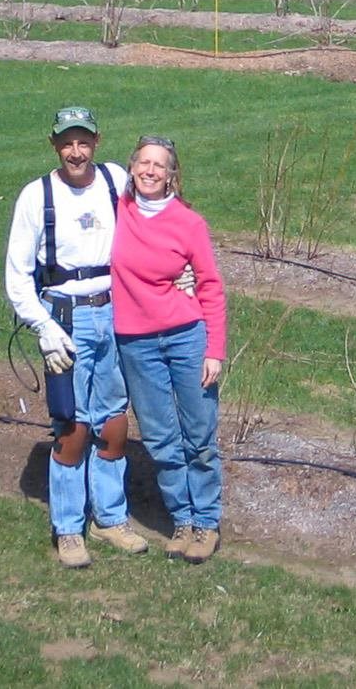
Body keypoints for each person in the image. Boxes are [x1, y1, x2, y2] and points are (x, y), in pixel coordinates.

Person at [4, 106, 150, 569]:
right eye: (66, 143)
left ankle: (110, 517)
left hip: (116, 311)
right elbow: (17, 276)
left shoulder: (114, 180)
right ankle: (68, 528)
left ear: (96, 142)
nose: (75, 152)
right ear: (54, 145)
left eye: (83, 141)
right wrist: (44, 328)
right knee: (71, 423)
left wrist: (181, 270)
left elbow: (154, 224)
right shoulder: (37, 196)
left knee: (114, 420)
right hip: (65, 319)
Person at [112, 136, 228, 564]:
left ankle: (207, 522)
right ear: (131, 167)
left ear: (171, 174)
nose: (150, 171)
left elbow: (210, 285)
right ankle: (182, 520)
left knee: (199, 435)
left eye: (159, 165)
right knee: (161, 438)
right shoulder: (117, 211)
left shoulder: (188, 223)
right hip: (136, 343)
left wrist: (214, 349)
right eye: (143, 162)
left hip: (186, 337)